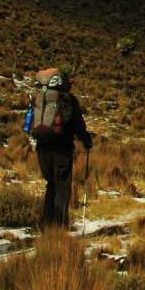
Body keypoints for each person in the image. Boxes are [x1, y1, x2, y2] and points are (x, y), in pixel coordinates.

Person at [31, 68, 92, 227]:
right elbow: (78, 125)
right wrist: (86, 140)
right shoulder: (68, 100)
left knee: (51, 184)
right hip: (61, 149)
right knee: (62, 187)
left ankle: (46, 223)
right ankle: (59, 226)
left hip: (42, 148)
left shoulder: (40, 98)